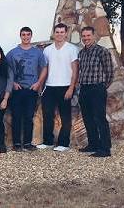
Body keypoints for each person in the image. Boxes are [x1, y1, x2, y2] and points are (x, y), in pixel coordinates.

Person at [38, 23, 79, 152]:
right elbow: (45, 68)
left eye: (62, 32)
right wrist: (41, 84)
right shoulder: (48, 50)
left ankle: (63, 144)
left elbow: (75, 70)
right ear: (54, 33)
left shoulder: (72, 49)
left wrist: (71, 88)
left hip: (65, 86)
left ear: (66, 33)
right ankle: (48, 142)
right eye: (57, 32)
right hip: (50, 87)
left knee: (65, 116)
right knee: (47, 115)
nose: (60, 34)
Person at [6, 27, 47, 151]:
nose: (26, 37)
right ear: (20, 36)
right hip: (17, 89)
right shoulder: (13, 52)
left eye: (28, 35)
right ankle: (17, 143)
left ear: (31, 36)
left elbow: (44, 68)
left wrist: (39, 83)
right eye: (23, 35)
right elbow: (6, 68)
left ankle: (28, 143)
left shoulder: (38, 53)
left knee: (29, 117)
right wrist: (12, 83)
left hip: (31, 89)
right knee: (16, 116)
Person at [77, 26, 114, 157]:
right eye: (84, 36)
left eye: (88, 36)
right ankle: (93, 144)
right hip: (84, 89)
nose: (86, 38)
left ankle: (105, 148)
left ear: (94, 36)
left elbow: (110, 72)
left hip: (97, 88)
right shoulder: (81, 53)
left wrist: (102, 86)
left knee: (100, 118)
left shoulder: (102, 51)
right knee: (87, 118)